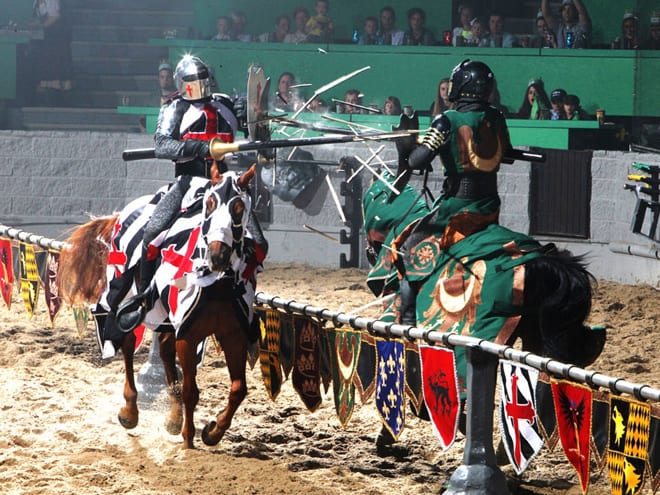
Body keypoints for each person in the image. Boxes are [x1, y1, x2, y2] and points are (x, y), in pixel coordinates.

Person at [116, 55, 246, 331]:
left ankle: (244, 294)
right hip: (189, 181)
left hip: (224, 184)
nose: (200, 85)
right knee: (153, 234)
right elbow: (163, 145)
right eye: (194, 82)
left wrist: (251, 112)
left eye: (203, 80)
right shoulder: (174, 108)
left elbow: (248, 126)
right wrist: (198, 148)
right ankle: (145, 298)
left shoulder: (224, 104)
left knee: (256, 240)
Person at [397, 59, 514, 325]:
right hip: (489, 205)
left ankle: (406, 319)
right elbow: (506, 153)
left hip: (459, 207)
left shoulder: (446, 121)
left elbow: (417, 162)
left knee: (410, 250)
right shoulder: (496, 117)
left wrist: (410, 146)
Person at [31, 0, 73, 97]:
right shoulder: (36, 2)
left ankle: (57, 88)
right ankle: (48, 86)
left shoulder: (51, 1)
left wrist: (42, 26)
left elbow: (54, 16)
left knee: (56, 60)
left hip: (56, 35)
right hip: (48, 35)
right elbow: (40, 17)